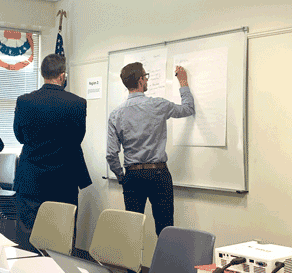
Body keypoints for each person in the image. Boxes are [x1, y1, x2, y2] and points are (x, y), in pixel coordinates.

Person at [13, 54, 92, 251]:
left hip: (31, 179)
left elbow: (20, 136)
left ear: (43, 74)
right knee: (62, 238)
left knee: (27, 236)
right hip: (63, 180)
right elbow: (77, 139)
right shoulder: (77, 103)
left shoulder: (24, 101)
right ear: (62, 75)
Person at [106, 63, 195, 236]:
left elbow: (111, 154)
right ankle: (166, 264)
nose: (147, 80)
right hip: (158, 174)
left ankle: (130, 264)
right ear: (140, 80)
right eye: (145, 76)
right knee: (165, 230)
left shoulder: (116, 114)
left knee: (131, 231)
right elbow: (188, 109)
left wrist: (121, 177)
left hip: (132, 176)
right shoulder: (158, 105)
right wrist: (183, 82)